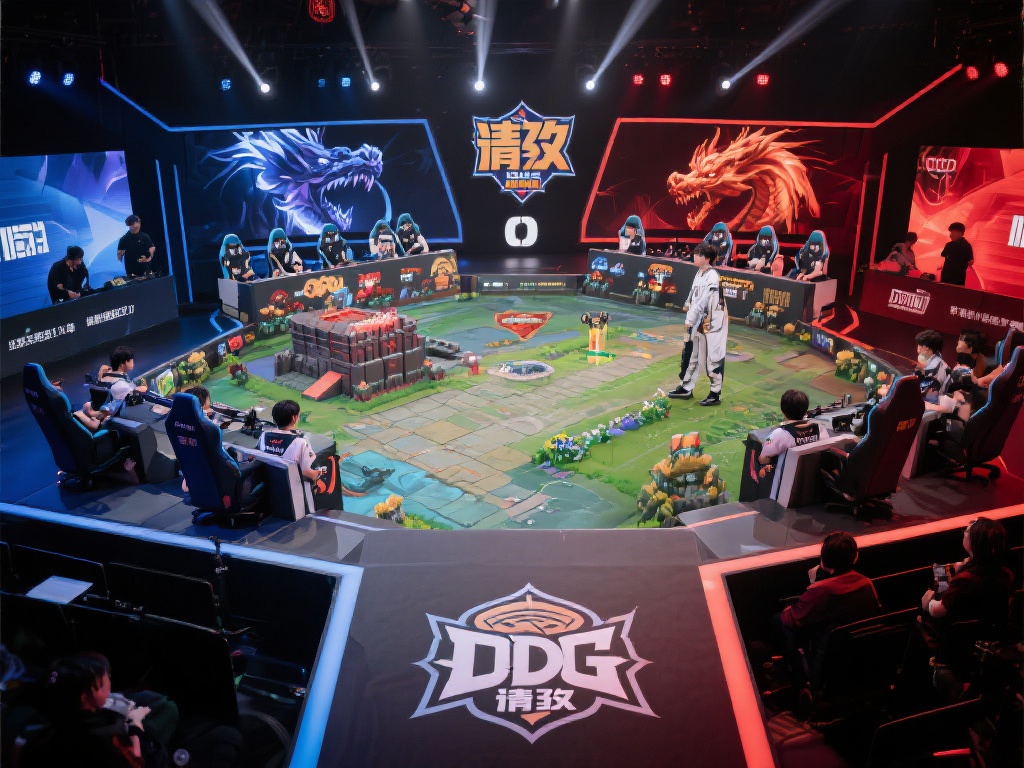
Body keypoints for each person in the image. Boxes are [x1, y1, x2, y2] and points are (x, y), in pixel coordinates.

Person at [774, 532, 880, 692]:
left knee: (779, 620)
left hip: (827, 662)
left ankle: (802, 685)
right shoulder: (867, 584)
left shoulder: (821, 591)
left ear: (823, 561)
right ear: (855, 557)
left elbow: (791, 619)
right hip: (861, 660)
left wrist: (813, 585)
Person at [920, 518, 1013, 694]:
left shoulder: (965, 580)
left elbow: (939, 611)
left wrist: (928, 601)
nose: (964, 533)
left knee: (920, 621)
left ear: (975, 542)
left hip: (960, 641)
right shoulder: (1005, 574)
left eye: (968, 532)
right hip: (989, 634)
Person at [21, 652, 157, 768]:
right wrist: (136, 724)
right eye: (102, 684)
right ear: (84, 697)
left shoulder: (51, 722)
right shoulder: (99, 743)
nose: (109, 683)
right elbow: (137, 761)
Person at [668, 243, 728, 406]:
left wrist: (690, 317)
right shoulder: (700, 273)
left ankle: (715, 393)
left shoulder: (712, 276)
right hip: (698, 320)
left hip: (712, 323)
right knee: (691, 353)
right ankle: (686, 387)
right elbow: (694, 295)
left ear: (707, 258)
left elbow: (704, 300)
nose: (695, 256)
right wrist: (688, 309)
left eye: (698, 254)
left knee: (712, 357)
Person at [758, 390, 828, 491]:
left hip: (785, 486)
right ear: (806, 409)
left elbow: (763, 459)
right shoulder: (819, 428)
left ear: (783, 410)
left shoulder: (779, 434)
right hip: (813, 482)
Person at [257, 400, 321, 483]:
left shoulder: (264, 436)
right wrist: (317, 473)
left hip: (268, 481)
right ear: (294, 418)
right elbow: (306, 472)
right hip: (289, 485)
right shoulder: (300, 442)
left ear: (274, 419)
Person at [939, 222, 974, 286]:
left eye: (953, 233)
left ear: (960, 233)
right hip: (953, 278)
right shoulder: (967, 245)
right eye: (951, 233)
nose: (950, 235)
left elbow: (942, 258)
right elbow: (970, 262)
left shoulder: (950, 245)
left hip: (953, 279)